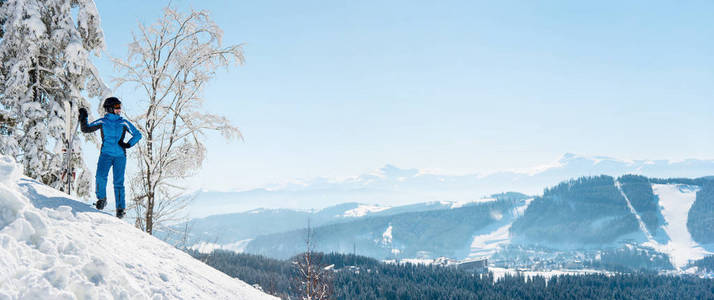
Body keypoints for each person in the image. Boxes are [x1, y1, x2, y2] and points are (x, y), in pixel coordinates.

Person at [78, 97, 142, 219]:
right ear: (110, 108)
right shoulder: (103, 121)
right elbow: (86, 129)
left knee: (118, 182)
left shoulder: (123, 123)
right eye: (117, 107)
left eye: (119, 107)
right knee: (101, 177)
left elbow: (138, 135)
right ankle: (101, 199)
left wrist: (128, 144)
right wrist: (83, 117)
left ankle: (120, 209)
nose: (119, 109)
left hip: (120, 157)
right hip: (105, 155)